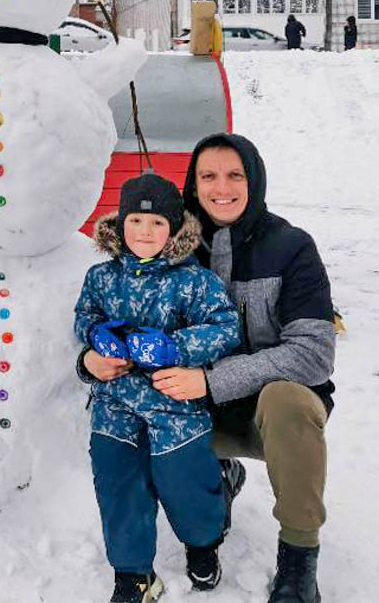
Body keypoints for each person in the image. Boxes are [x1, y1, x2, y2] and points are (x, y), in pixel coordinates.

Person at [151, 134, 334, 603]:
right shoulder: (173, 251)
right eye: (208, 176)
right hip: (197, 412)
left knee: (286, 398)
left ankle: (298, 562)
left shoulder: (291, 247)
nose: (222, 188)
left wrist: (213, 381)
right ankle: (212, 488)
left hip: (269, 415)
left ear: (254, 179)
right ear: (193, 185)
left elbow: (313, 352)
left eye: (235, 175)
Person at [75, 173, 240, 603]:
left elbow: (226, 328)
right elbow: (83, 316)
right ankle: (133, 574)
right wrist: (97, 337)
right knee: (117, 483)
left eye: (156, 225)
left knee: (182, 481)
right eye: (135, 222)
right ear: (120, 225)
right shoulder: (101, 276)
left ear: (173, 230)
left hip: (175, 401)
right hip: (116, 401)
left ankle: (203, 542)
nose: (144, 233)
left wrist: (177, 346)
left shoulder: (193, 281)